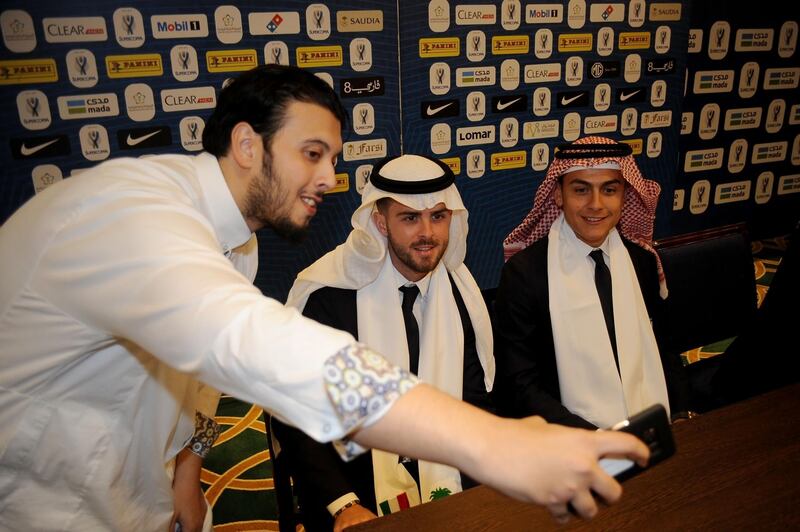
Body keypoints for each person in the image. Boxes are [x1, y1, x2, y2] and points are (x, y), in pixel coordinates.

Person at [0, 67, 648, 531]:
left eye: (333, 158)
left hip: (135, 491)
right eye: (312, 153)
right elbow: (259, 350)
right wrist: (496, 446)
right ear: (248, 144)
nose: (329, 179)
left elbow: (194, 375)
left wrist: (188, 470)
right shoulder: (133, 216)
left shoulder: (230, 238)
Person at [272, 154, 494, 530]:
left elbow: (476, 400)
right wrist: (344, 505)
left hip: (448, 481)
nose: (427, 233)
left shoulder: (461, 293)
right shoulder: (328, 295)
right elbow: (298, 418)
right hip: (351, 491)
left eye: (438, 217)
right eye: (410, 218)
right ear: (380, 221)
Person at [494, 136, 691, 431]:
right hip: (567, 440)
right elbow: (520, 385)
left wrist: (680, 411)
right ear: (558, 195)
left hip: (650, 426)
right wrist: (594, 438)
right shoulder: (525, 274)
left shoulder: (642, 261)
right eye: (581, 190)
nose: (596, 205)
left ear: (625, 196)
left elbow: (665, 350)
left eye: (609, 190)